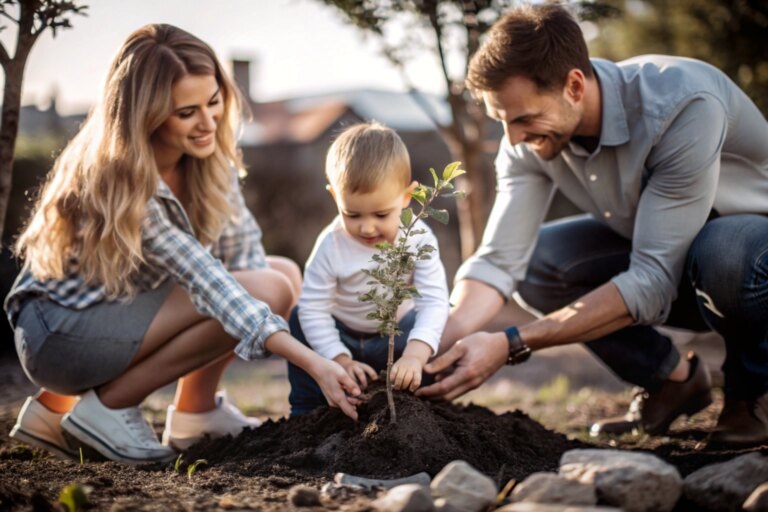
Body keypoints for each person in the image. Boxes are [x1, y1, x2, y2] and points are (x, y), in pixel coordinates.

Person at [4, 23, 361, 463]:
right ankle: (108, 408)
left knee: (280, 273)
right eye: (187, 111)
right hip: (58, 336)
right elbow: (208, 280)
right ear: (147, 115)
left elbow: (246, 258)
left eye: (213, 101)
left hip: (112, 315)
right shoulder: (122, 176)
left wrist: (334, 349)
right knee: (263, 288)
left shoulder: (208, 161)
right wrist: (312, 362)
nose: (208, 122)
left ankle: (193, 413)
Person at [416, 3, 768, 445]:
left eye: (523, 119)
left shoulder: (683, 103)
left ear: (575, 86)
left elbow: (652, 280)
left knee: (724, 252)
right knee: (541, 264)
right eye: (502, 121)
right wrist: (434, 339)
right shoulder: (526, 140)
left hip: (751, 266)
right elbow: (500, 261)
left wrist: (512, 342)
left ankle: (753, 393)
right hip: (671, 265)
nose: (513, 138)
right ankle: (672, 380)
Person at [287, 122, 449, 415]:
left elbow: (433, 300)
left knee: (430, 325)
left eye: (381, 214)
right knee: (298, 318)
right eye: (352, 214)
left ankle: (424, 408)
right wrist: (339, 358)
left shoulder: (418, 239)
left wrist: (415, 355)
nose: (367, 227)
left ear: (407, 197)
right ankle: (307, 411)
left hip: (396, 337)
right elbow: (313, 308)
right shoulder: (331, 245)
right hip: (340, 334)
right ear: (335, 197)